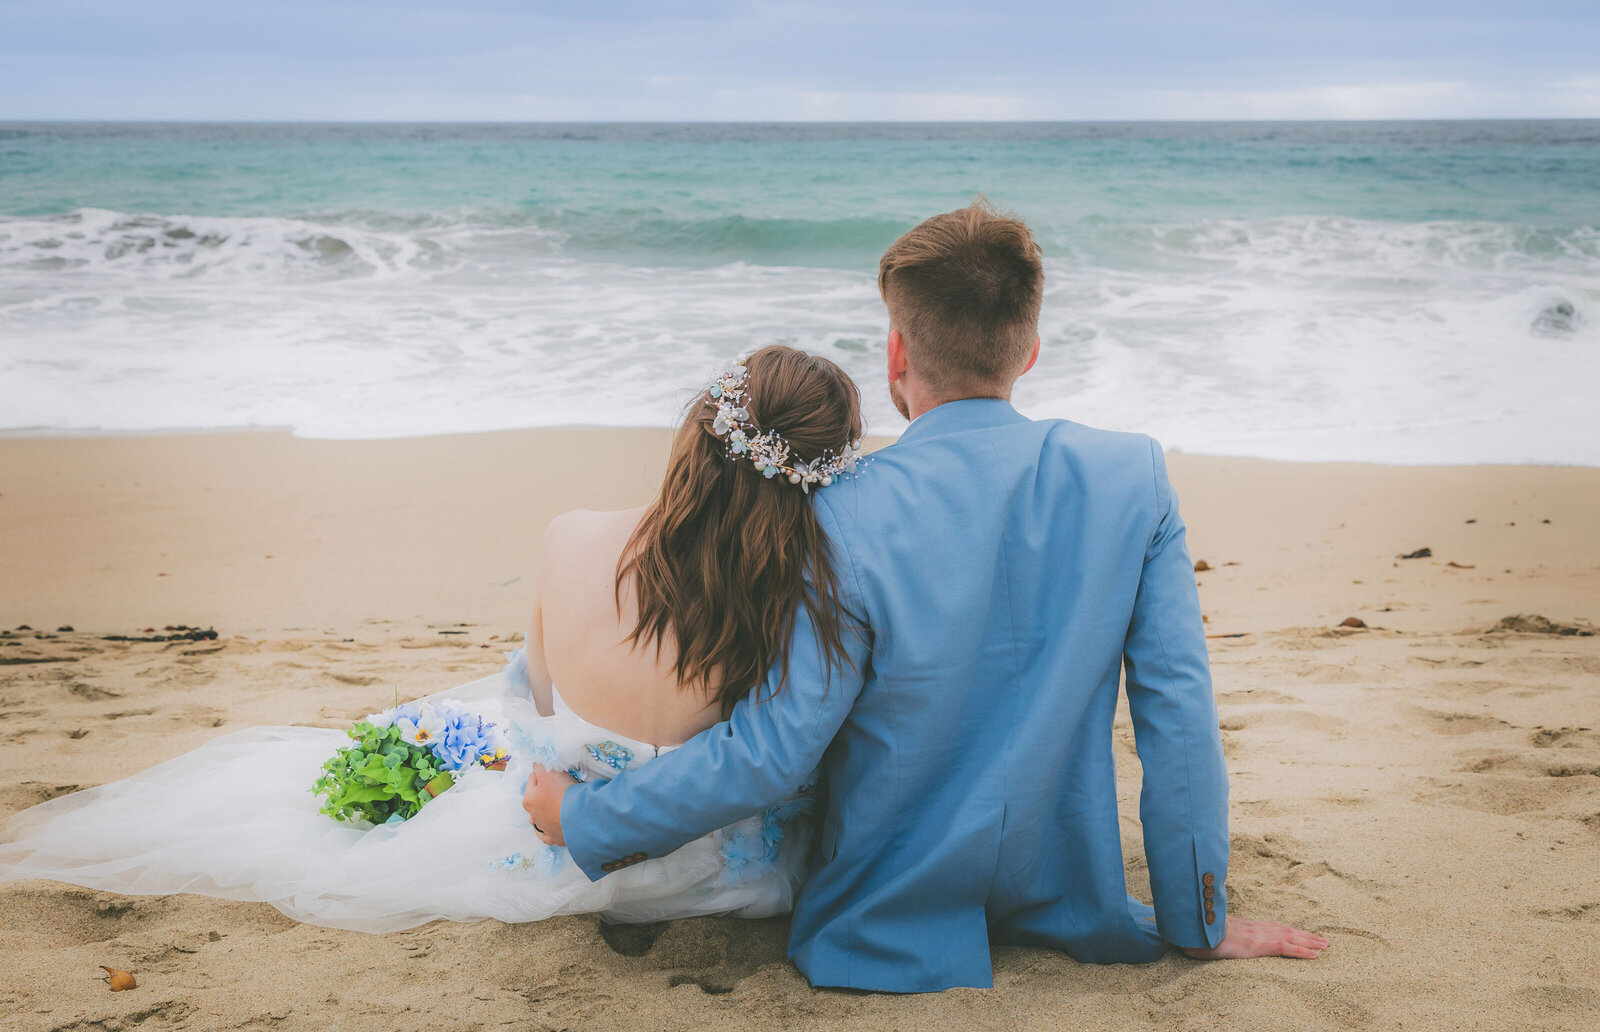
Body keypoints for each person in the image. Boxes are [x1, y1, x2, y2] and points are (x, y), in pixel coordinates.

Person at [524, 201, 1327, 992]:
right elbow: (1178, 713)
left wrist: (588, 818)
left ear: (896, 353)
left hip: (885, 918)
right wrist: (1198, 918)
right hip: (1069, 899)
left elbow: (771, 751)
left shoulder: (839, 512)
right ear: (1031, 350)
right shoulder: (1133, 478)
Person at [0, 345, 871, 932]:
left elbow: (533, 710)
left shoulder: (570, 536)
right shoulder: (802, 608)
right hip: (720, 884)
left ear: (696, 431)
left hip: (551, 842)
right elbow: (780, 760)